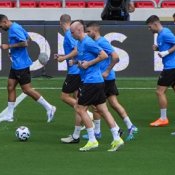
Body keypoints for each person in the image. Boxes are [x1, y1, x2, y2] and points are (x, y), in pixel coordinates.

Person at [69, 20, 125, 152]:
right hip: (95, 81)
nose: (71, 35)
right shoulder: (80, 43)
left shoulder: (88, 42)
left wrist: (88, 64)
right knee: (103, 109)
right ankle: (117, 138)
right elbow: (86, 58)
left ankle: (92, 140)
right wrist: (77, 62)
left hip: (91, 82)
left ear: (79, 30)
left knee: (80, 108)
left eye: (72, 32)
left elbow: (104, 55)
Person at [0, 14, 56, 123]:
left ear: (4, 22)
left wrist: (9, 46)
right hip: (16, 64)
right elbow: (28, 37)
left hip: (21, 65)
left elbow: (25, 43)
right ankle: (9, 115)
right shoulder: (16, 26)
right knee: (10, 86)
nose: (1, 28)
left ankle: (49, 107)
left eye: (0, 26)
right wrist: (14, 51)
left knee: (27, 89)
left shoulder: (14, 29)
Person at [85, 21, 138, 140]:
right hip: (105, 78)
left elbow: (115, 57)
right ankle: (128, 126)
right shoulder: (96, 42)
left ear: (95, 31)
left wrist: (107, 71)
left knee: (98, 105)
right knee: (109, 104)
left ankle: (106, 130)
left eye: (88, 31)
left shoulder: (102, 41)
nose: (87, 34)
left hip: (105, 78)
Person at [146, 15, 175, 127]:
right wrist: (158, 49)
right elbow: (170, 46)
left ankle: (163, 118)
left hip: (170, 68)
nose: (149, 29)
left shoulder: (165, 33)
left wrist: (166, 52)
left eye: (149, 27)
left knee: (159, 92)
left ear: (155, 24)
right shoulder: (161, 34)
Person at [54, 14, 84, 144]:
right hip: (79, 70)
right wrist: (63, 55)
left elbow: (77, 51)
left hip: (75, 72)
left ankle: (86, 114)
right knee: (78, 98)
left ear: (61, 23)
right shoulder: (70, 34)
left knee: (65, 97)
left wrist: (64, 58)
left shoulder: (67, 34)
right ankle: (77, 133)